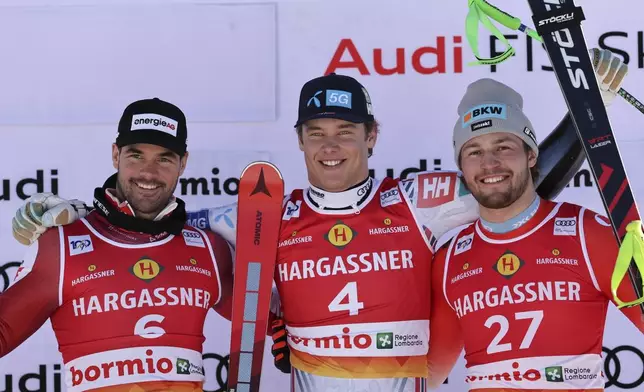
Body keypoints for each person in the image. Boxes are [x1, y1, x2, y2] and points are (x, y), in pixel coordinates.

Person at [10, 50, 628, 392]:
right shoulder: (261, 218)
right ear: (301, 142)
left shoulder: (420, 199)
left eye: (346, 132)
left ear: (372, 136)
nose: (332, 147)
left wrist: (582, 115)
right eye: (317, 134)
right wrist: (72, 216)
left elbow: (516, 188)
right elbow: (156, 225)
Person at [425, 78, 644, 391]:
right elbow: (429, 373)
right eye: (474, 152)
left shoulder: (587, 235)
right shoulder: (449, 260)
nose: (489, 164)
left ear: (531, 156)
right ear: (461, 166)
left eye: (504, 147)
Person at [1, 98, 234, 392]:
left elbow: (266, 320)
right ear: (115, 155)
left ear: (183, 163)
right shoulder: (59, 245)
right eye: (136, 156)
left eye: (164, 158)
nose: (148, 173)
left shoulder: (208, 249)